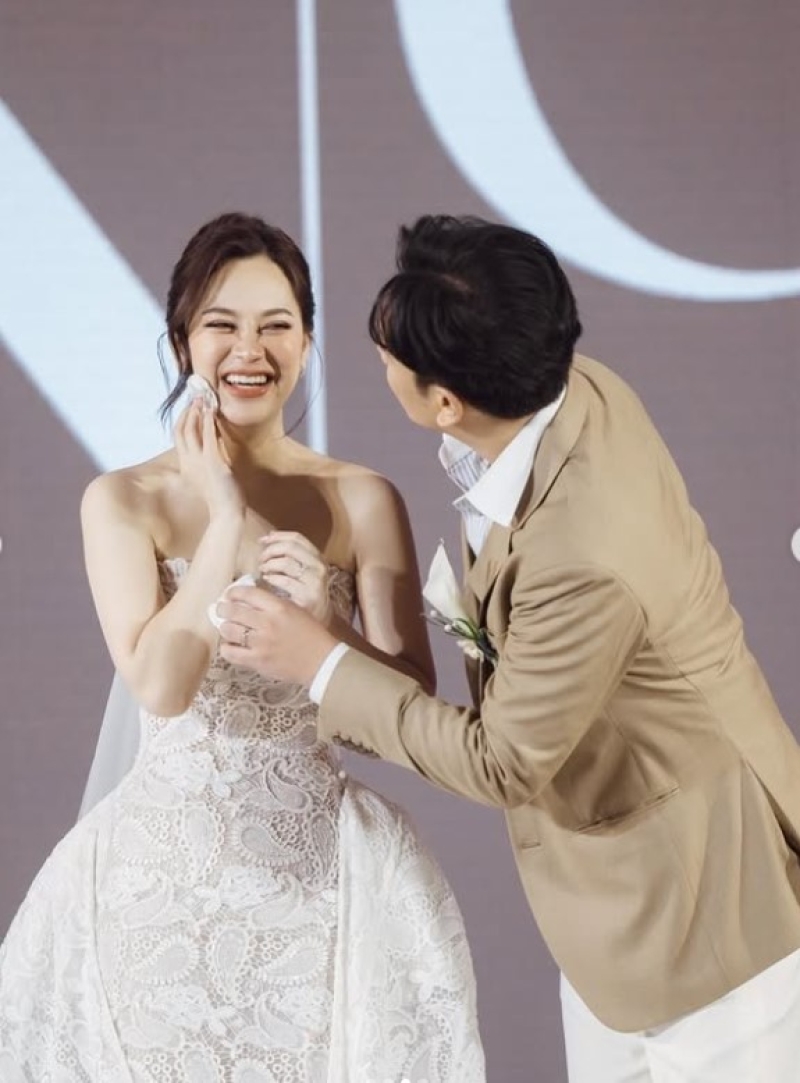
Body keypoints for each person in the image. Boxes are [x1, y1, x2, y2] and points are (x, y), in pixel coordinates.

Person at [216, 215, 800, 1082]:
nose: (376, 358)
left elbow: (504, 761)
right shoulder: (571, 389)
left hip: (711, 926)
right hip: (619, 922)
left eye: (388, 355)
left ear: (445, 403)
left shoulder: (586, 551)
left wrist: (320, 661)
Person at [0, 212, 485, 1082]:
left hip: (323, 884)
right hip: (154, 893)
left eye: (276, 325)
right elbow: (161, 684)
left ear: (306, 341)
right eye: (222, 324)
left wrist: (326, 629)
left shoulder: (363, 499)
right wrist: (223, 517)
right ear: (182, 343)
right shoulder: (122, 501)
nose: (249, 350)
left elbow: (404, 705)